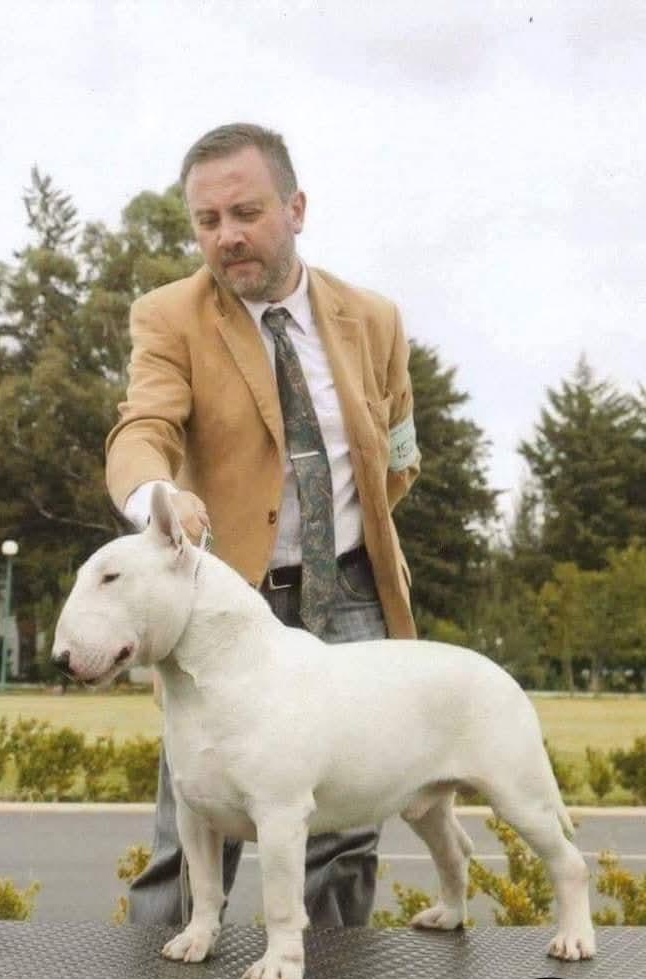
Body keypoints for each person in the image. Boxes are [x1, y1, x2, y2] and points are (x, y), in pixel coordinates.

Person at [105, 123, 420, 932]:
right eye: (207, 221)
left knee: (344, 839)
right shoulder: (168, 315)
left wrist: (351, 529)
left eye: (245, 211)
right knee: (192, 824)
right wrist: (155, 497)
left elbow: (399, 455)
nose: (227, 235)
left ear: (296, 207)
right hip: (224, 608)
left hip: (352, 597)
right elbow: (144, 427)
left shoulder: (375, 318)